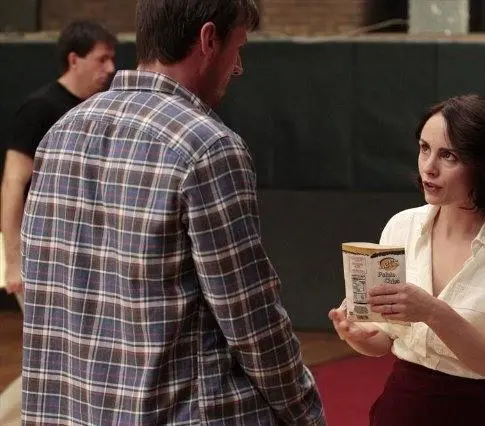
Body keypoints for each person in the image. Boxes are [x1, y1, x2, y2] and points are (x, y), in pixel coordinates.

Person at [21, 1, 325, 425]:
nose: (238, 67)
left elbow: (46, 295)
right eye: (238, 49)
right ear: (208, 39)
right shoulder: (208, 146)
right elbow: (249, 316)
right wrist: (305, 408)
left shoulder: (60, 134)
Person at [329, 94, 485, 425]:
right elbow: (386, 339)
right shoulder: (403, 226)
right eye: (424, 148)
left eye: (449, 155)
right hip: (404, 405)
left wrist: (432, 311)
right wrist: (359, 335)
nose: (429, 167)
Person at [1, 19, 116, 303]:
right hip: (43, 255)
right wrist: (14, 262)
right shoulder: (39, 109)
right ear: (74, 60)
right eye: (101, 59)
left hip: (85, 255)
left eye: (111, 59)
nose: (111, 68)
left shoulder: (99, 109)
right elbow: (13, 184)